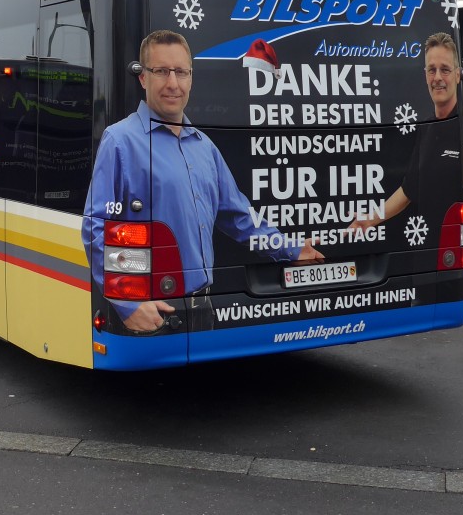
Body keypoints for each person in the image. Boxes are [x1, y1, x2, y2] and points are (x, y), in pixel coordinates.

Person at [83, 29, 323, 334]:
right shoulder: (120, 141)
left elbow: (239, 216)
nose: (173, 83)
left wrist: (291, 249)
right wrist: (129, 303)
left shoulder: (204, 147)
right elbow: (96, 226)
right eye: (161, 71)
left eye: (181, 72)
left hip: (203, 311)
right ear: (144, 78)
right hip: (152, 312)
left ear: (191, 79)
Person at [349, 32, 463, 240]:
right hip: (427, 242)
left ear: (457, 75)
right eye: (432, 70)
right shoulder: (426, 128)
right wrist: (370, 219)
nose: (437, 77)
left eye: (445, 70)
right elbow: (409, 188)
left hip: (451, 242)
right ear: (425, 75)